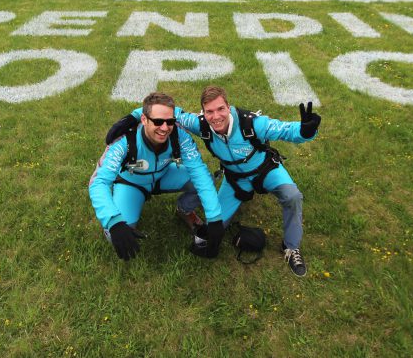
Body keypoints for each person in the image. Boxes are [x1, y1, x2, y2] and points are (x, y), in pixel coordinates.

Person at [123, 86, 321, 276]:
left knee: (292, 196)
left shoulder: (251, 123)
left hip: (266, 170)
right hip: (235, 179)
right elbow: (167, 112)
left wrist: (305, 131)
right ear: (203, 112)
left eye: (220, 109)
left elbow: (284, 130)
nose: (216, 116)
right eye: (209, 111)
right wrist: (130, 118)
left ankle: (291, 247)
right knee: (213, 228)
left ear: (228, 106)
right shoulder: (200, 124)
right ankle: (186, 210)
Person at [88, 92, 225, 261]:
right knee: (114, 235)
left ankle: (184, 210)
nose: (165, 128)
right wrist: (113, 220)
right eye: (158, 122)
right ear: (144, 119)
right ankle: (120, 212)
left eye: (170, 121)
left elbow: (199, 172)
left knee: (206, 180)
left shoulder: (179, 135)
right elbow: (98, 183)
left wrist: (215, 217)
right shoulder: (123, 141)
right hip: (131, 183)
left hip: (164, 174)